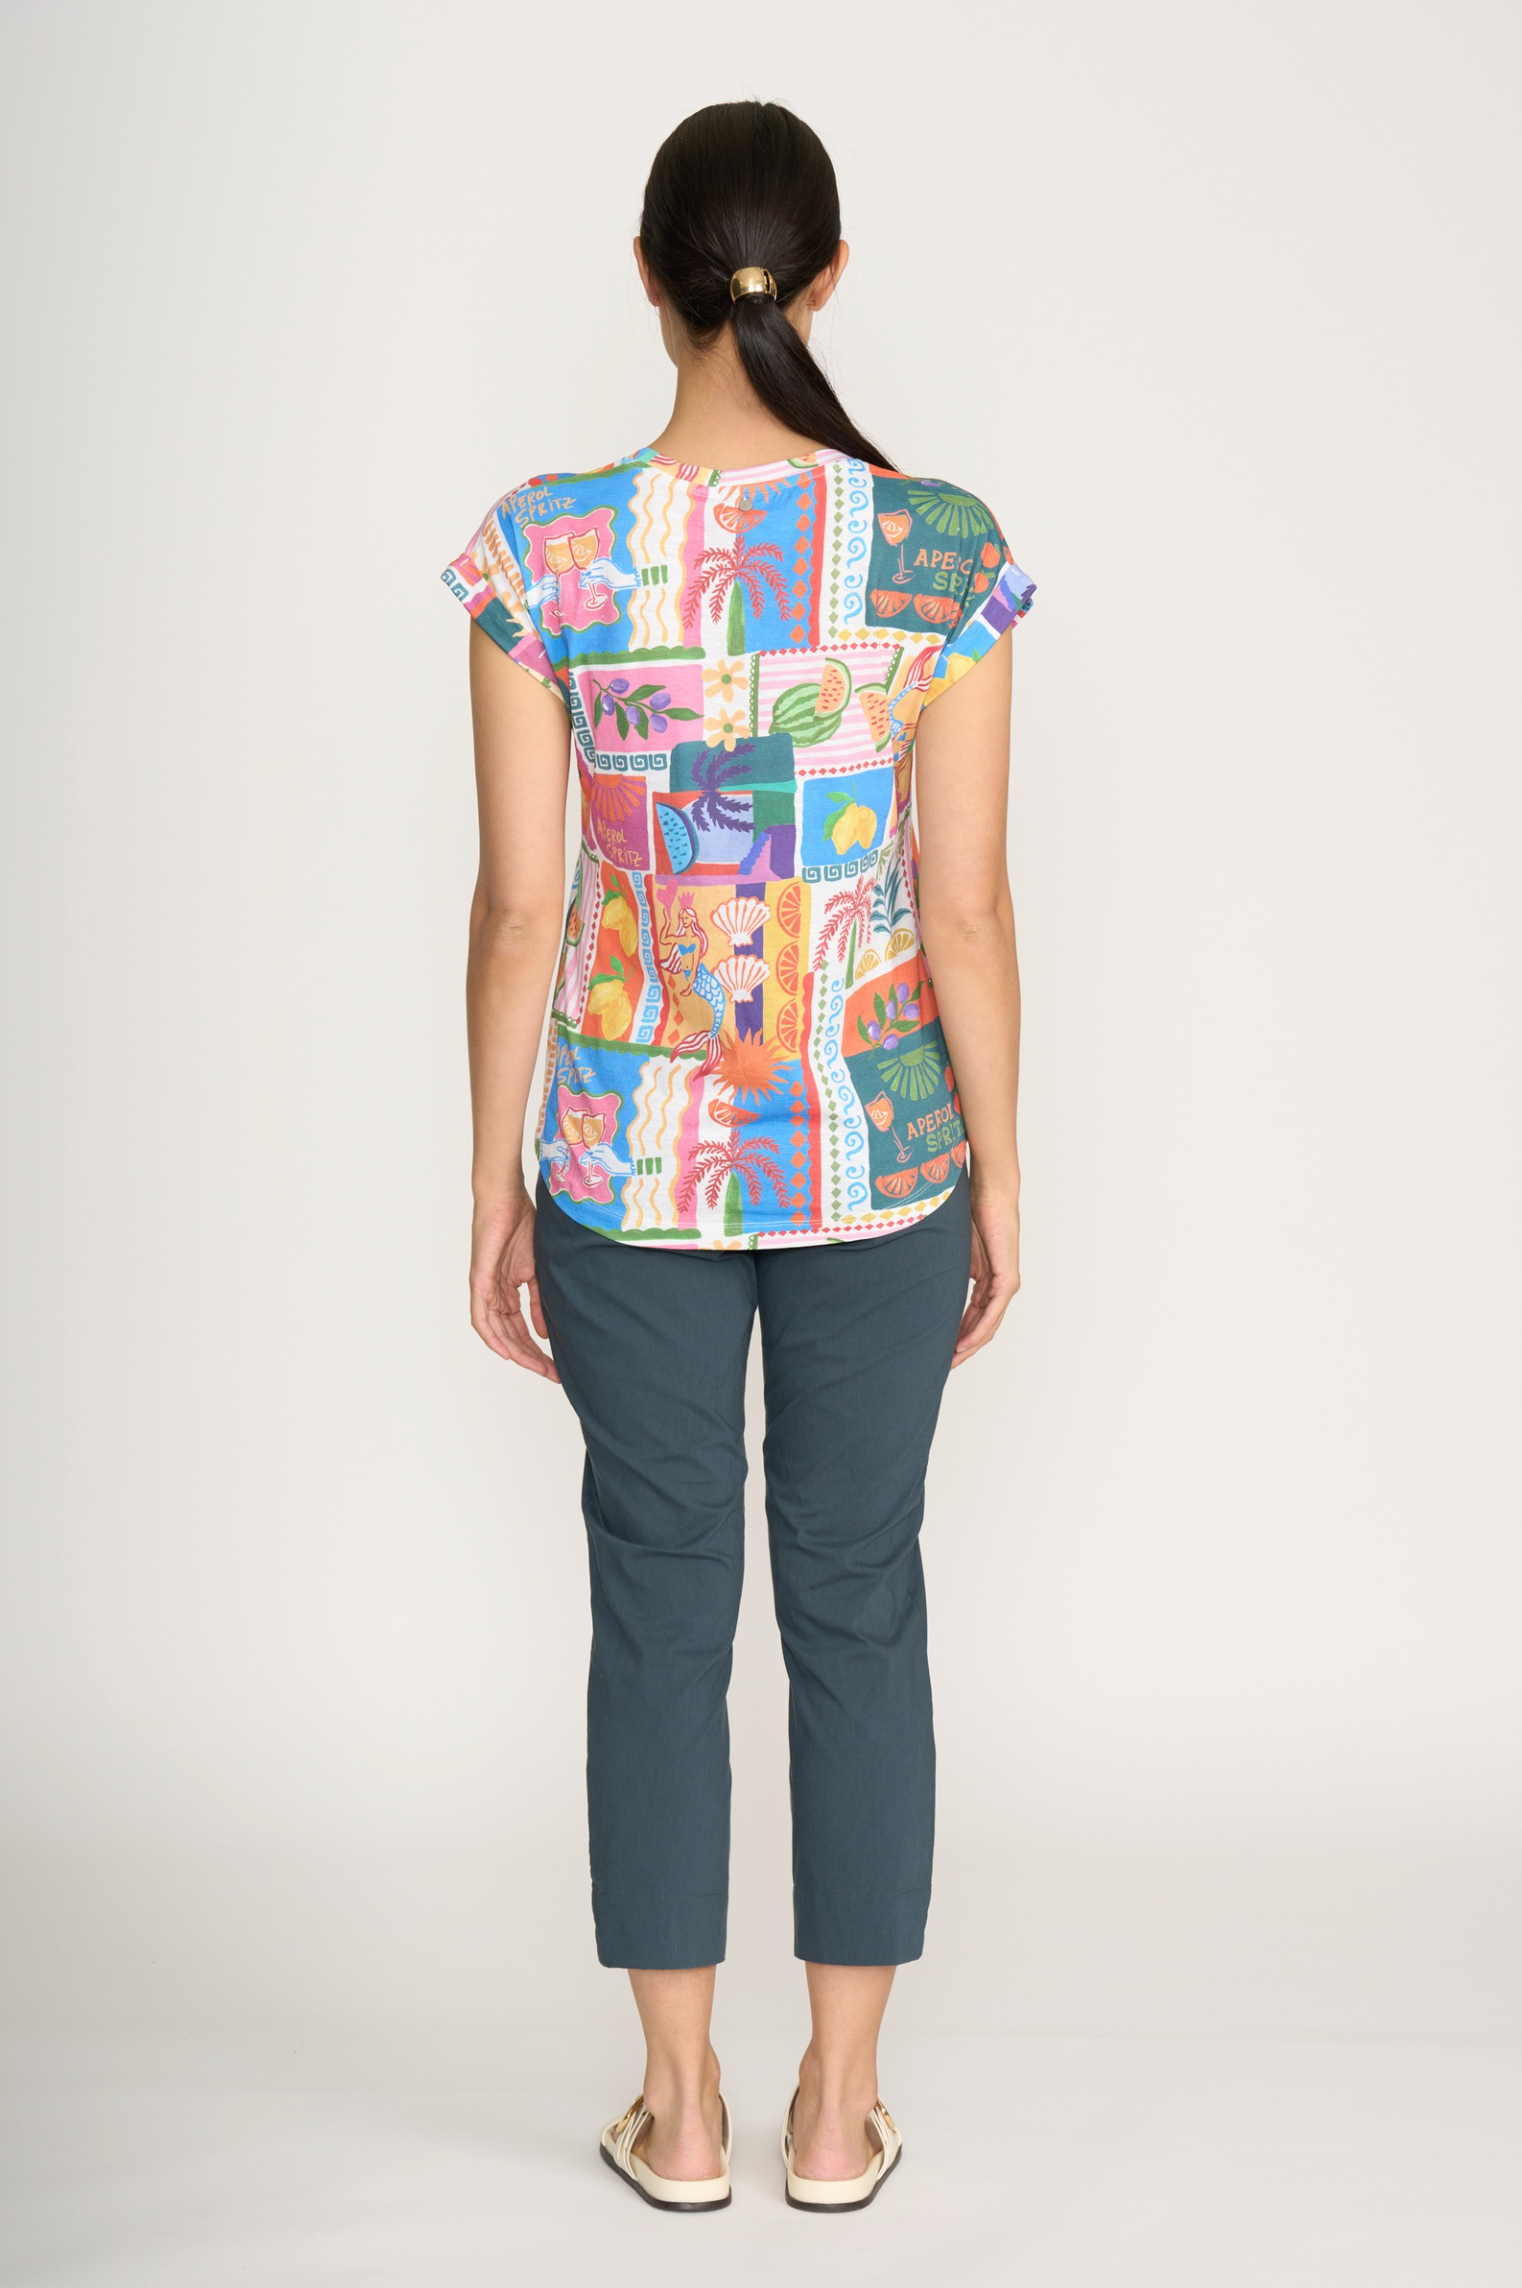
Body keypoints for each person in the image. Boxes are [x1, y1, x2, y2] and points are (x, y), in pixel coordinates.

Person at [440, 98, 1036, 2216]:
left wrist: (495, 1179)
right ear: (829, 279)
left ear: (647, 276)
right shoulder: (939, 554)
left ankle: (677, 2108)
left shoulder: (542, 555)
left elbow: (522, 906)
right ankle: (836, 2111)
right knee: (857, 1602)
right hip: (880, 1157)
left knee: (657, 1611)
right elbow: (964, 908)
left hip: (628, 1163)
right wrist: (1002, 1172)